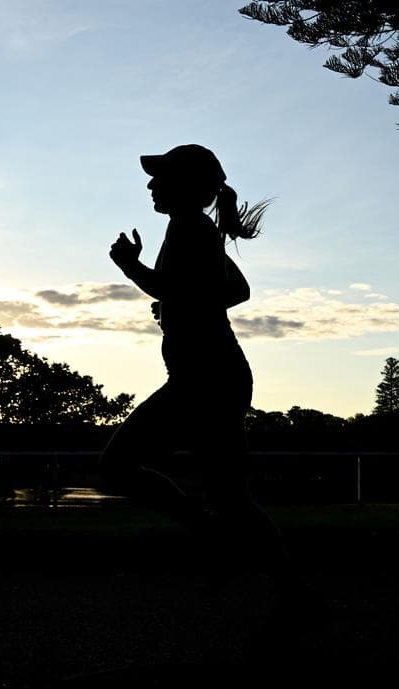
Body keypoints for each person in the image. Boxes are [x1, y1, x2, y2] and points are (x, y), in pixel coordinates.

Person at [100, 144, 286, 584]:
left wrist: (132, 268)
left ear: (183, 185)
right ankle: (287, 588)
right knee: (232, 497)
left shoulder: (192, 230)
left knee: (117, 466)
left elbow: (182, 288)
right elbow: (234, 291)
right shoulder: (195, 229)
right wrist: (179, 304)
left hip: (203, 379)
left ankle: (215, 536)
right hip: (213, 376)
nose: (150, 184)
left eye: (159, 176)